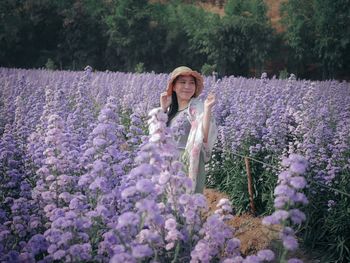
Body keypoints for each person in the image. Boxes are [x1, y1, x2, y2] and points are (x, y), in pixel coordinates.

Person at [160, 66, 218, 193]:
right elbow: (159, 139)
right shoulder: (171, 113)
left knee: (188, 206)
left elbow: (205, 137)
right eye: (183, 82)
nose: (187, 86)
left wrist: (207, 109)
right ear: (174, 87)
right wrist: (163, 109)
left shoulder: (197, 110)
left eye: (191, 83)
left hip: (190, 165)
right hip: (170, 165)